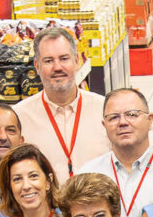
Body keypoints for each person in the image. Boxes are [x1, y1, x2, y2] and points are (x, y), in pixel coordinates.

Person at [10, 28, 107, 179]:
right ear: (37, 66)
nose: (57, 67)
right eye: (48, 61)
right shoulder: (19, 117)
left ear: (76, 61)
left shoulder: (103, 110)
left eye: (64, 59)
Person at [75, 87, 153, 217]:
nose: (123, 122)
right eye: (114, 117)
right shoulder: (88, 174)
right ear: (104, 125)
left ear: (150, 120)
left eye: (132, 114)